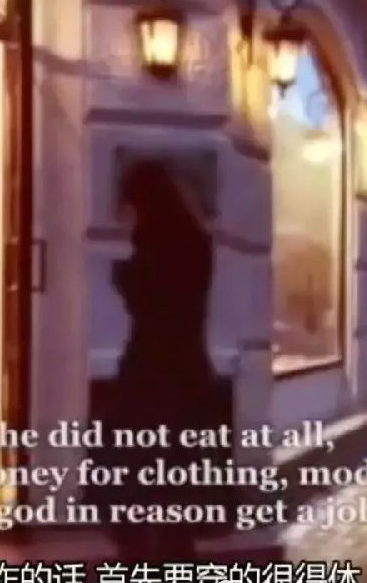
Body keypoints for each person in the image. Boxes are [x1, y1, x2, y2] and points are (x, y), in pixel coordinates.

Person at [93, 160, 232, 560]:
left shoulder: (152, 241)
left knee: (133, 467)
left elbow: (149, 302)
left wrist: (123, 277)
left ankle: (138, 551)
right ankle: (174, 550)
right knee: (175, 473)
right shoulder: (198, 243)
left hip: (151, 371)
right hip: (189, 372)